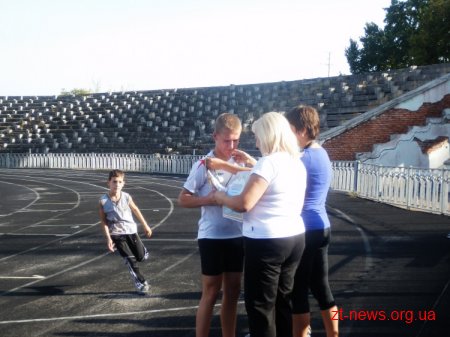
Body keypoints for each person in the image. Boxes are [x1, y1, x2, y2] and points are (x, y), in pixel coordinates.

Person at [214, 111, 307, 337]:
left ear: (267, 136)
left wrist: (221, 198)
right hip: (294, 236)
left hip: (267, 242)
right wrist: (253, 163)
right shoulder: (295, 162)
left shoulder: (267, 163)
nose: (256, 142)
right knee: (283, 301)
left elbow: (244, 203)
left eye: (257, 137)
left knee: (260, 307)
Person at [177, 113, 247, 337]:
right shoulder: (203, 165)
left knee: (233, 290)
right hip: (212, 237)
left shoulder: (241, 162)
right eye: (227, 141)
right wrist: (209, 199)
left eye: (236, 140)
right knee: (211, 291)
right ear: (215, 136)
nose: (232, 145)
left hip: (237, 235)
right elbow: (183, 198)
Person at [285, 105, 339, 337]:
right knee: (321, 287)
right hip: (321, 226)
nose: (287, 137)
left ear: (303, 130)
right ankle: (333, 333)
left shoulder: (303, 158)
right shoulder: (321, 153)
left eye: (290, 131)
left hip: (306, 230)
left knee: (298, 292)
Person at [99, 169, 153, 295]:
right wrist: (108, 238)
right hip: (117, 234)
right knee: (130, 260)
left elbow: (135, 210)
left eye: (119, 182)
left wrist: (146, 226)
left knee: (141, 257)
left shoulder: (127, 197)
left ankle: (142, 252)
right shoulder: (103, 201)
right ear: (109, 183)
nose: (117, 184)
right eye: (114, 182)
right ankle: (141, 283)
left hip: (131, 231)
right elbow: (104, 222)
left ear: (123, 183)